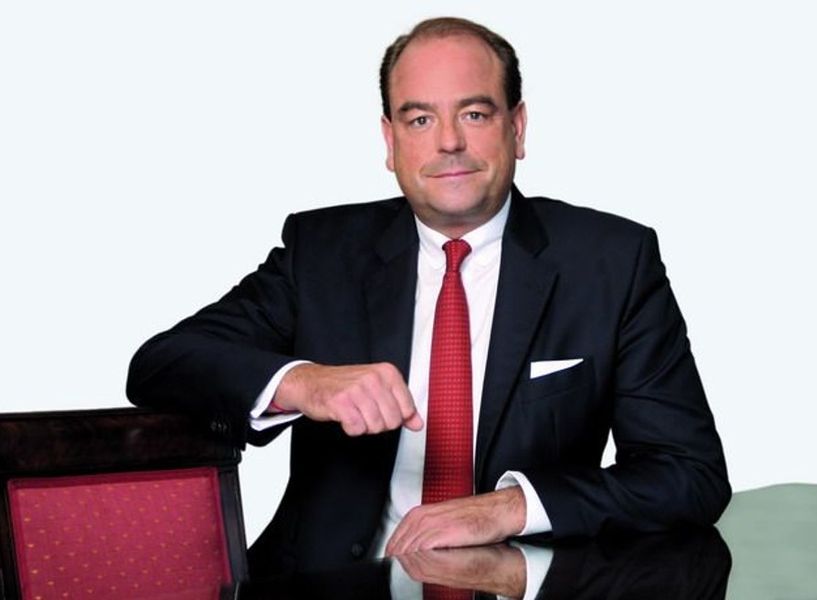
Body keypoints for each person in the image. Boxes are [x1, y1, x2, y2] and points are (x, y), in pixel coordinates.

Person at [127, 16, 730, 578]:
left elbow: (689, 474)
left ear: (517, 128)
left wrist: (512, 508)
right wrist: (304, 383)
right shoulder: (322, 252)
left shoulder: (611, 262)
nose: (448, 142)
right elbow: (161, 363)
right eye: (419, 120)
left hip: (522, 581)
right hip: (327, 583)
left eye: (474, 114)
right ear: (390, 141)